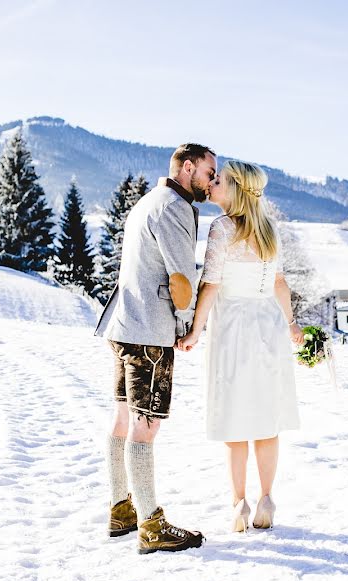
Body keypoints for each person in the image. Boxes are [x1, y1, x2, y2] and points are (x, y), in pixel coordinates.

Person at [94, 143, 217, 554]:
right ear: (187, 168)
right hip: (150, 331)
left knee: (124, 416)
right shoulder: (174, 208)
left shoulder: (150, 200)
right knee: (147, 424)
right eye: (208, 172)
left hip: (124, 322)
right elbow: (182, 278)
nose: (212, 181)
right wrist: (186, 329)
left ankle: (121, 508)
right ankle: (151, 524)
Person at [177, 160, 303, 532]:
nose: (213, 183)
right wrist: (292, 324)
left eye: (220, 180)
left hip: (233, 328)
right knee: (266, 420)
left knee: (235, 421)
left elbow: (211, 285)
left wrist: (195, 331)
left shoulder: (222, 228)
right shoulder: (269, 230)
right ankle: (266, 497)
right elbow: (279, 283)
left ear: (237, 190)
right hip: (268, 328)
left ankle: (239, 503)